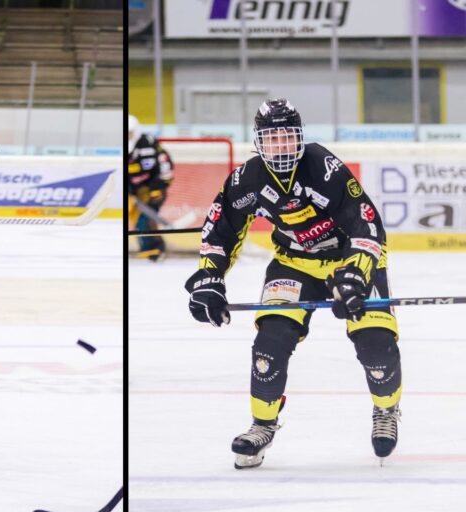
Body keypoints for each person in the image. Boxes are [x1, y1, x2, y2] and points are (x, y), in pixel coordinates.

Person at [184, 98, 401, 469]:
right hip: (293, 263)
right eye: (272, 139)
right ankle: (262, 424)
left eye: (287, 137)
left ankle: (386, 409)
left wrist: (355, 273)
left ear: (300, 136)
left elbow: (367, 225)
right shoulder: (245, 179)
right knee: (270, 342)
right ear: (259, 142)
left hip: (350, 263)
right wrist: (210, 277)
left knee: (376, 344)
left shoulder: (324, 168)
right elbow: (220, 232)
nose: (281, 146)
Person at [128, 114, 174, 261]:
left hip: (153, 189)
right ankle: (152, 248)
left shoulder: (149, 145)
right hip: (136, 191)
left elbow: (165, 167)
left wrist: (158, 188)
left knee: (145, 219)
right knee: (139, 220)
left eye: (129, 133)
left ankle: (154, 250)